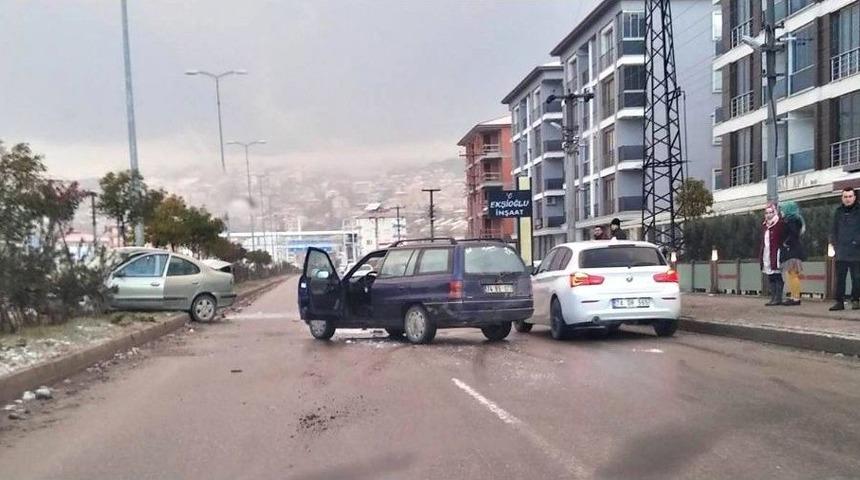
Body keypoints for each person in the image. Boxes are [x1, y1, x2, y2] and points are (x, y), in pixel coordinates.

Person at [830, 187, 860, 311]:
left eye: (850, 196)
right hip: (841, 251)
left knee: (857, 278)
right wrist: (834, 244)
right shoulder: (838, 211)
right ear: (842, 198)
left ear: (854, 197)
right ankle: (839, 302)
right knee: (840, 278)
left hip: (856, 251)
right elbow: (834, 229)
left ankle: (856, 300)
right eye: (845, 197)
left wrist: (857, 241)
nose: (848, 199)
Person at [779, 201, 806, 306]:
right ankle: (794, 296)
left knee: (793, 275)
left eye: (783, 209)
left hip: (792, 251)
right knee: (792, 275)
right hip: (794, 250)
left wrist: (786, 242)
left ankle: (795, 298)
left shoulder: (791, 221)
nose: (781, 212)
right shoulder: (796, 220)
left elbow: (793, 234)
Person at [759, 202, 784, 306]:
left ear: (775, 212)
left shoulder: (779, 223)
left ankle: (778, 298)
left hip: (776, 252)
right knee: (770, 275)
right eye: (767, 213)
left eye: (771, 212)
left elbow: (783, 237)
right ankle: (773, 297)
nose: (768, 215)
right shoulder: (765, 225)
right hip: (767, 253)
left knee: (777, 275)